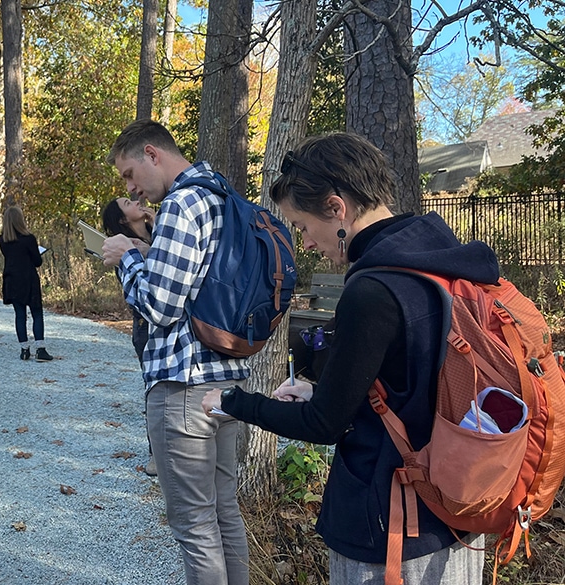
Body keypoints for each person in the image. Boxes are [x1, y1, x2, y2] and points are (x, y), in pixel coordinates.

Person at [201, 132, 487, 584]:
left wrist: (232, 402)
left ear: (337, 208)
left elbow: (322, 424)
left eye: (302, 225)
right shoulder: (442, 262)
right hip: (458, 507)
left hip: (392, 527)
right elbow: (414, 381)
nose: (307, 243)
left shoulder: (373, 290)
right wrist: (322, 388)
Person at [101, 120, 249, 585]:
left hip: (183, 383)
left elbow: (160, 307)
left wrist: (127, 256)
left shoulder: (183, 203)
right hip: (227, 377)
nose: (131, 188)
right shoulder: (222, 195)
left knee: (195, 526)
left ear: (152, 153)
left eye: (129, 174)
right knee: (225, 512)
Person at [102, 196, 157, 476]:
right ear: (123, 219)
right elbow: (139, 289)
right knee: (154, 390)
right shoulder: (121, 247)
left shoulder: (159, 229)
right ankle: (155, 454)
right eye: (127, 202)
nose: (137, 200)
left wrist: (157, 224)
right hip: (145, 327)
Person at [0, 206, 53, 362]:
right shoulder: (29, 238)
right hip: (28, 279)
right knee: (36, 313)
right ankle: (40, 349)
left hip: (11, 280)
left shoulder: (3, 239)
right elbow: (37, 261)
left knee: (20, 315)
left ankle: (24, 349)